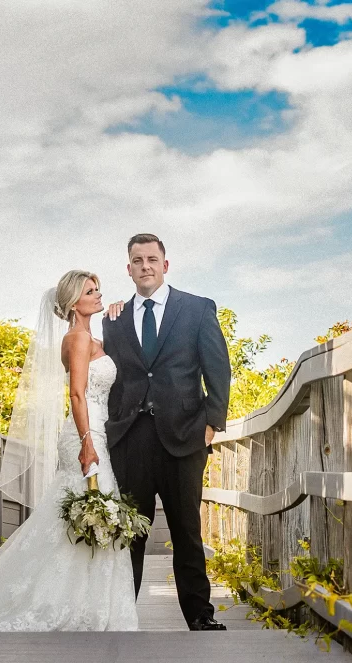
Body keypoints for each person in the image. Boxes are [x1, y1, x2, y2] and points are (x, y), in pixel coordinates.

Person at [0, 270, 138, 631]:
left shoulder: (91, 336)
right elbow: (76, 394)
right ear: (75, 303)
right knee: (89, 511)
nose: (99, 295)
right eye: (91, 291)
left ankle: (89, 605)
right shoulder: (76, 339)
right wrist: (88, 443)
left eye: (98, 289)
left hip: (100, 431)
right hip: (85, 436)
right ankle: (67, 604)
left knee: (91, 514)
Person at [103, 233, 232, 631]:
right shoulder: (115, 319)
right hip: (131, 441)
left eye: (152, 259)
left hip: (185, 437)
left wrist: (212, 425)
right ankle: (123, 614)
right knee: (131, 535)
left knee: (187, 531)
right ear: (128, 268)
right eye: (137, 260)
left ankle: (200, 615)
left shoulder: (196, 309)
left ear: (165, 264)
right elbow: (113, 381)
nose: (145, 266)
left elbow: (218, 370)